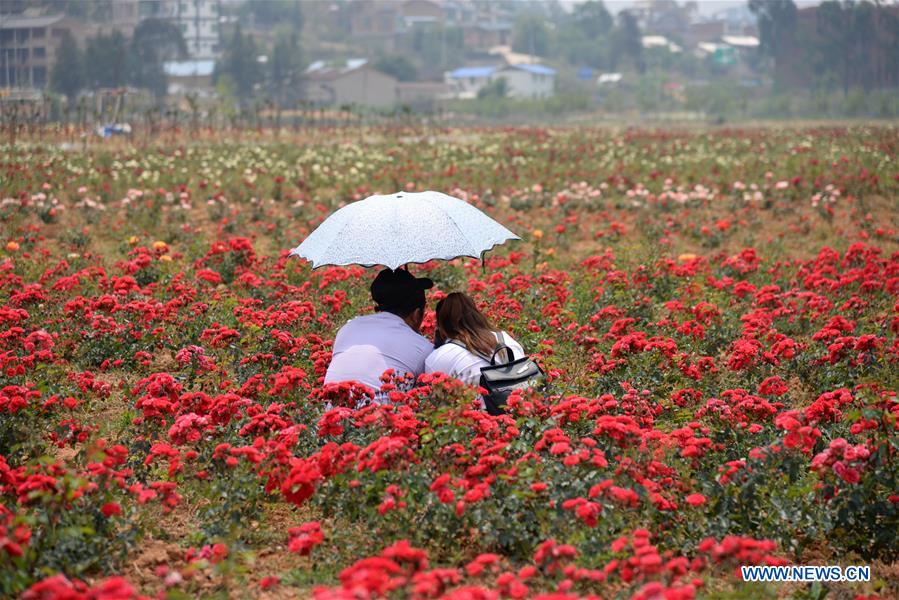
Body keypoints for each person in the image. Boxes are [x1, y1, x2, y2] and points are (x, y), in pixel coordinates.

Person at [324, 268, 434, 402]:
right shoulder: (422, 347)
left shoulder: (347, 328)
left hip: (330, 413)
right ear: (416, 315)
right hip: (382, 415)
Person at [425, 292, 525, 389]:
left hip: (477, 401)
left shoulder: (437, 357)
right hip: (524, 397)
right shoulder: (505, 338)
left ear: (441, 325)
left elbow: (435, 394)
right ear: (476, 314)